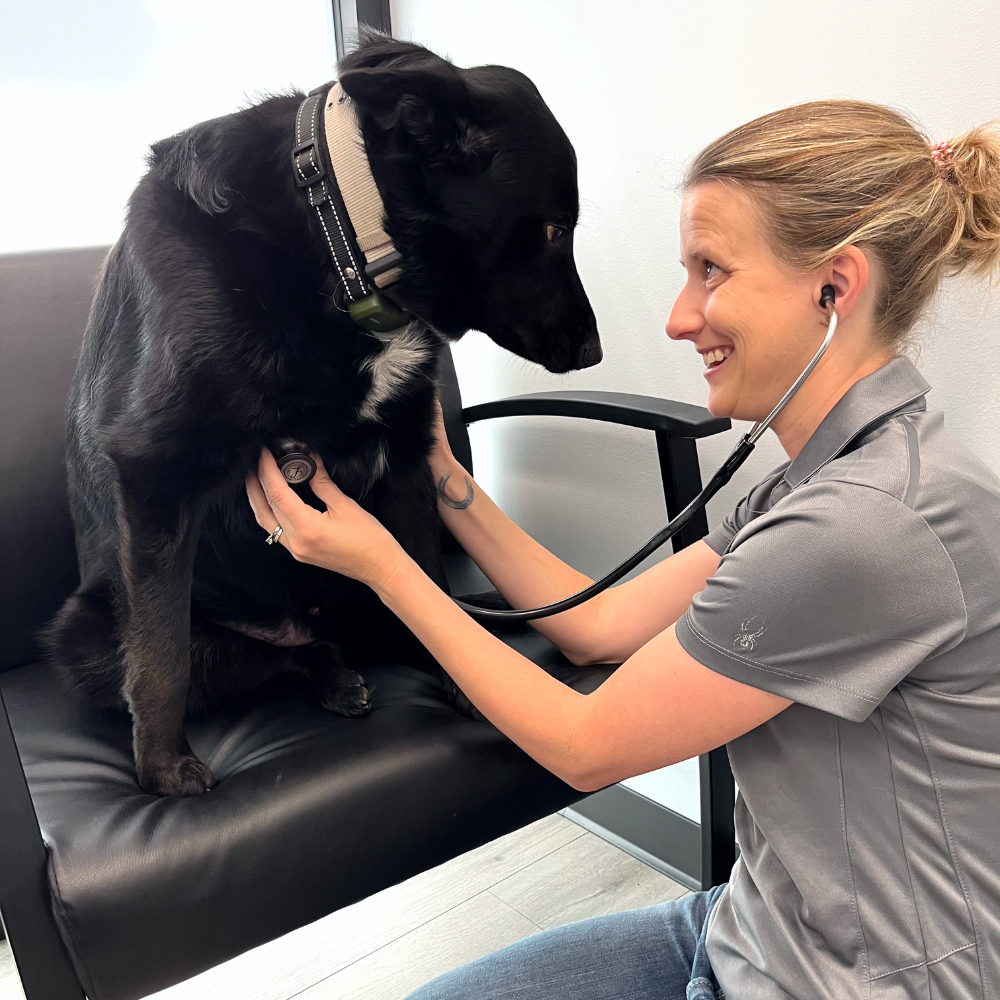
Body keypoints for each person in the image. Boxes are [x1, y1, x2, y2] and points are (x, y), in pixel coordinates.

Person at [246, 101, 1000, 999]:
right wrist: (445, 476)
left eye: (711, 272)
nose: (680, 319)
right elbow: (599, 627)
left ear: (834, 288)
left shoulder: (868, 526)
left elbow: (586, 744)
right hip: (753, 926)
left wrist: (378, 563)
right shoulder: (821, 473)